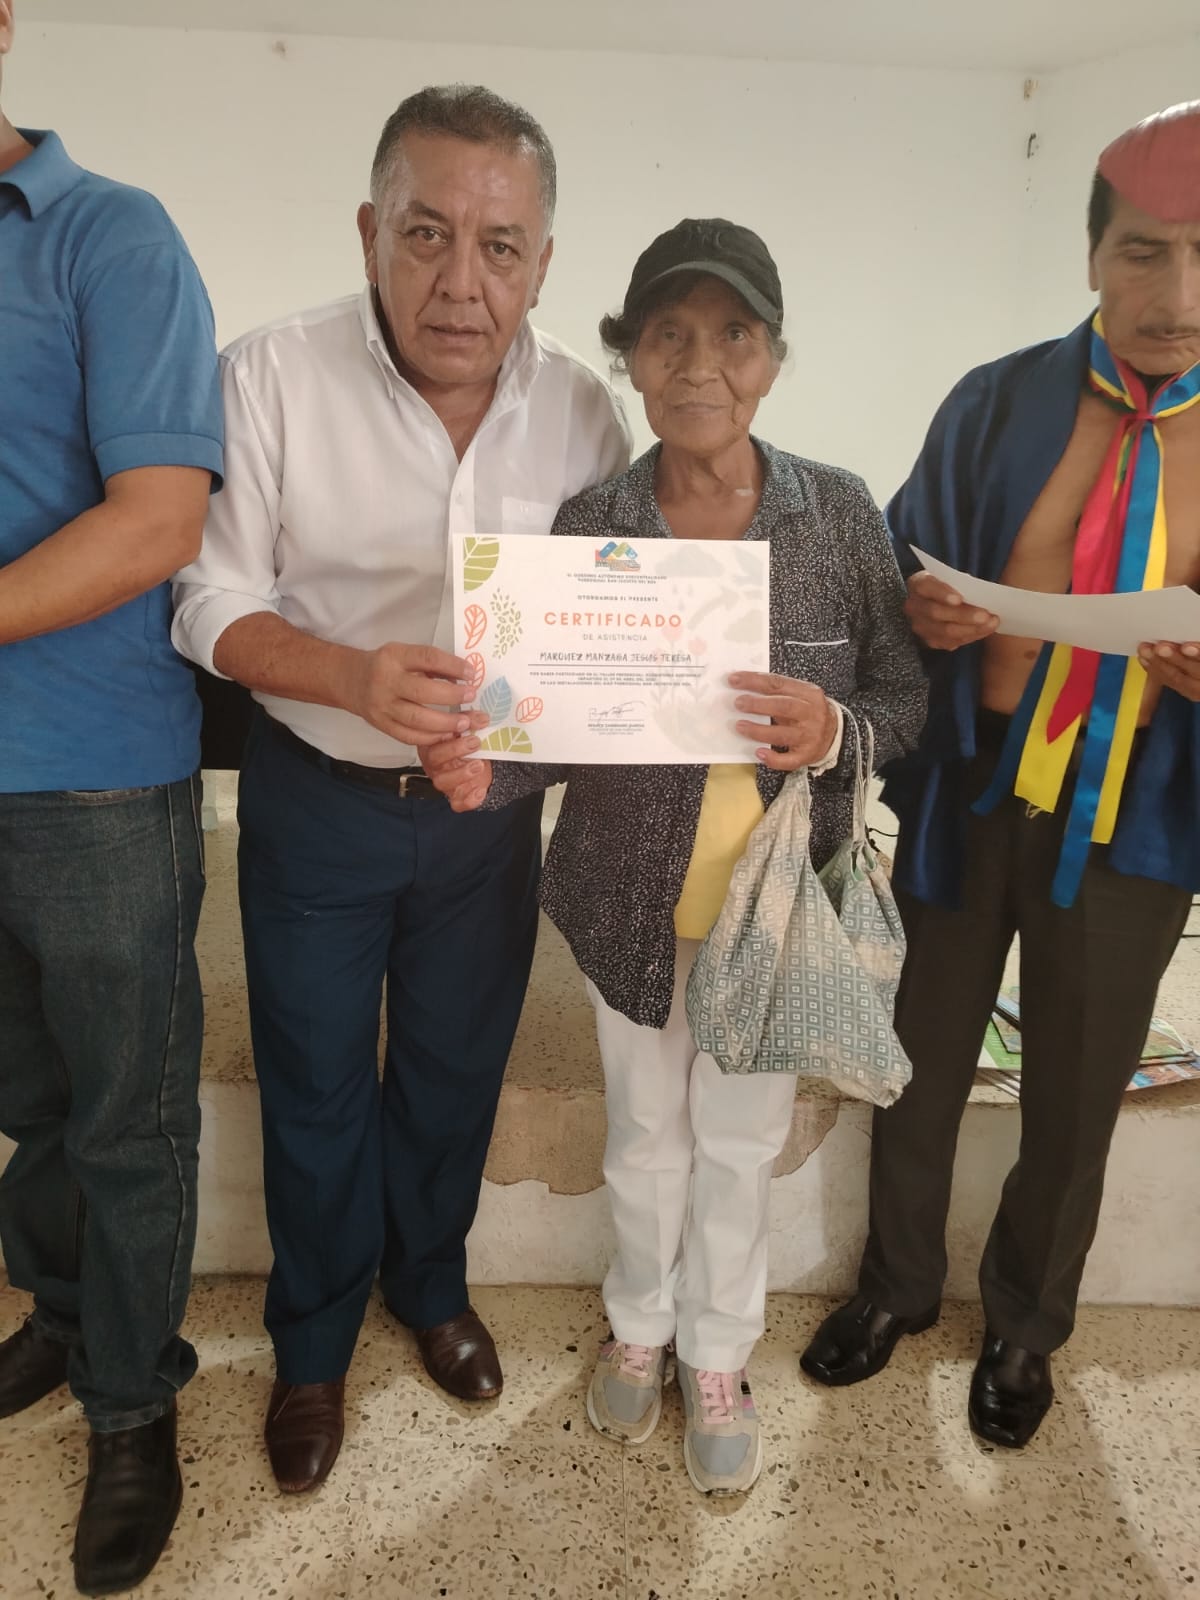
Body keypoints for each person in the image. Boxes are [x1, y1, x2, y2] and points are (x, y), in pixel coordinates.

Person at [171, 84, 629, 1495]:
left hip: (488, 819)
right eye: (426, 235)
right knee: (313, 1080)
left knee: (453, 1067)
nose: (460, 281)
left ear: (543, 263)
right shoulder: (270, 375)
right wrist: (350, 677)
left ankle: (429, 1286)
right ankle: (312, 1344)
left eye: (500, 246)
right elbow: (207, 601)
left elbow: (604, 623)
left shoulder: (585, 413)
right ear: (371, 232)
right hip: (316, 794)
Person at [423, 218, 927, 1495]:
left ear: (773, 358)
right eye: (669, 336)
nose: (702, 365)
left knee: (740, 1144)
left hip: (775, 912)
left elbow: (903, 697)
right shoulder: (594, 520)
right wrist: (486, 767)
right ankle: (639, 1326)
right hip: (624, 901)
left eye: (734, 336)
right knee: (645, 1134)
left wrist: (836, 729)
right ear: (633, 358)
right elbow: (547, 723)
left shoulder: (837, 514)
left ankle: (717, 1352)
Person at [802, 101, 1200, 1450]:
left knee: (1076, 1097)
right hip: (974, 799)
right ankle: (896, 1287)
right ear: (1093, 256)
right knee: (917, 1060)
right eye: (1144, 251)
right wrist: (925, 612)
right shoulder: (999, 400)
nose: (1177, 294)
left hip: (1135, 822)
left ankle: (1027, 1325)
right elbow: (899, 567)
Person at [0, 3, 223, 1591]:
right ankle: (64, 1319)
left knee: (126, 1120)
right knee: (26, 1097)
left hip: (92, 776)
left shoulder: (108, 234)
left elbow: (158, 520)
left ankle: (135, 1408)